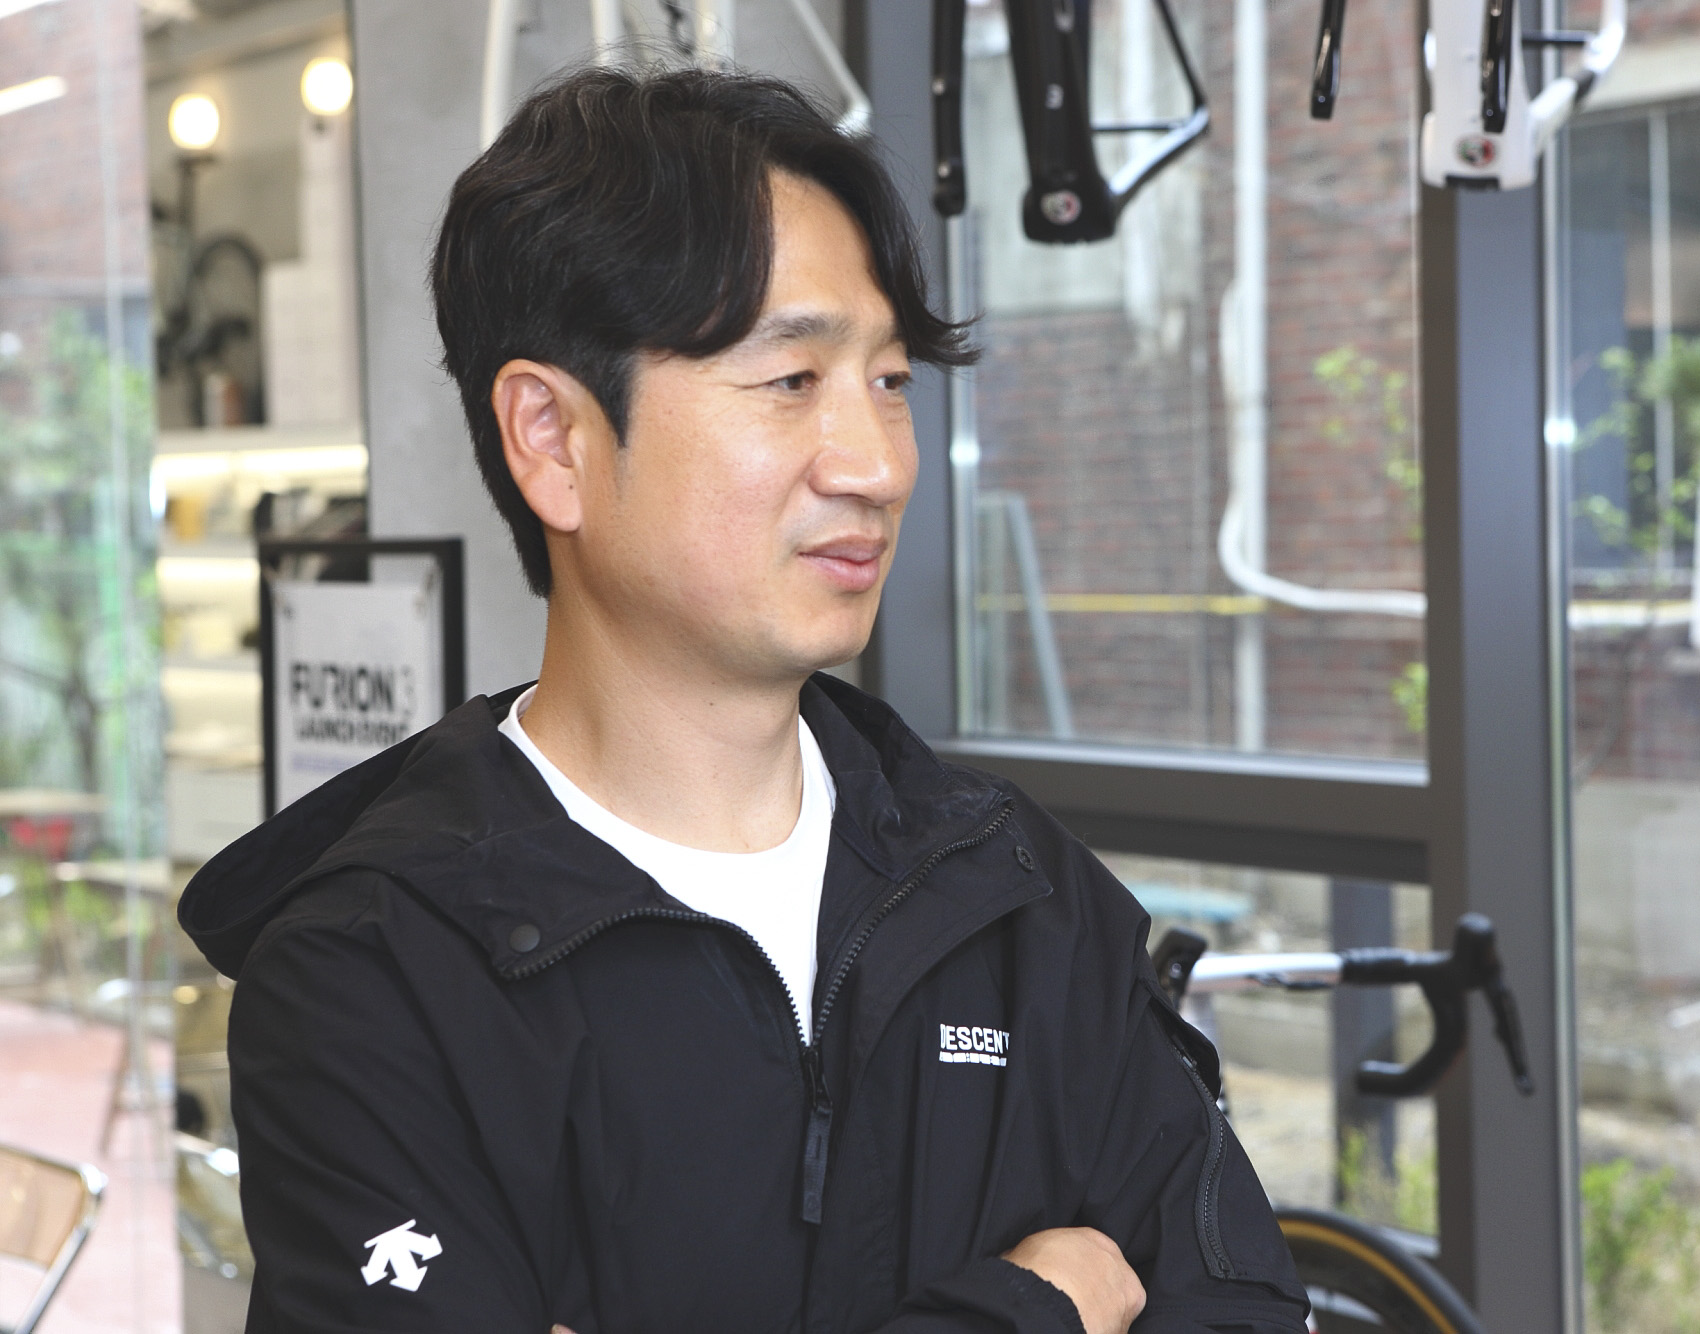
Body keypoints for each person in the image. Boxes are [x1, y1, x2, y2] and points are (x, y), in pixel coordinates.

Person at [180, 65, 1309, 1334]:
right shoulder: (372, 973)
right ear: (552, 438)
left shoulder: (1008, 889)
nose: (877, 465)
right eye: (791, 381)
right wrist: (1031, 1304)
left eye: (890, 381)